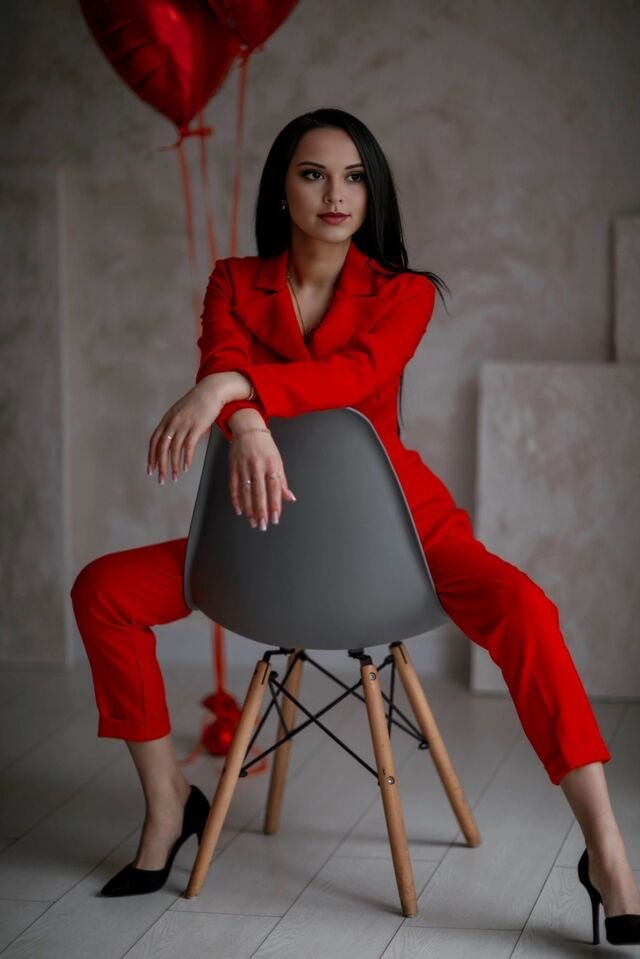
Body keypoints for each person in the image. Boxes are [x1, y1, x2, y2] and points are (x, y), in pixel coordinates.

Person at [70, 108, 640, 944]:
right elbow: (222, 357)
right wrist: (244, 419)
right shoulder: (233, 281)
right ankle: (168, 805)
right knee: (103, 590)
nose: (335, 194)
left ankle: (608, 854)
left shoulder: (405, 293)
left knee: (526, 608)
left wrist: (231, 392)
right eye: (313, 173)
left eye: (354, 177)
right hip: (261, 532)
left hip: (399, 534)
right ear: (282, 188)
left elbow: (351, 375)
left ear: (373, 194)